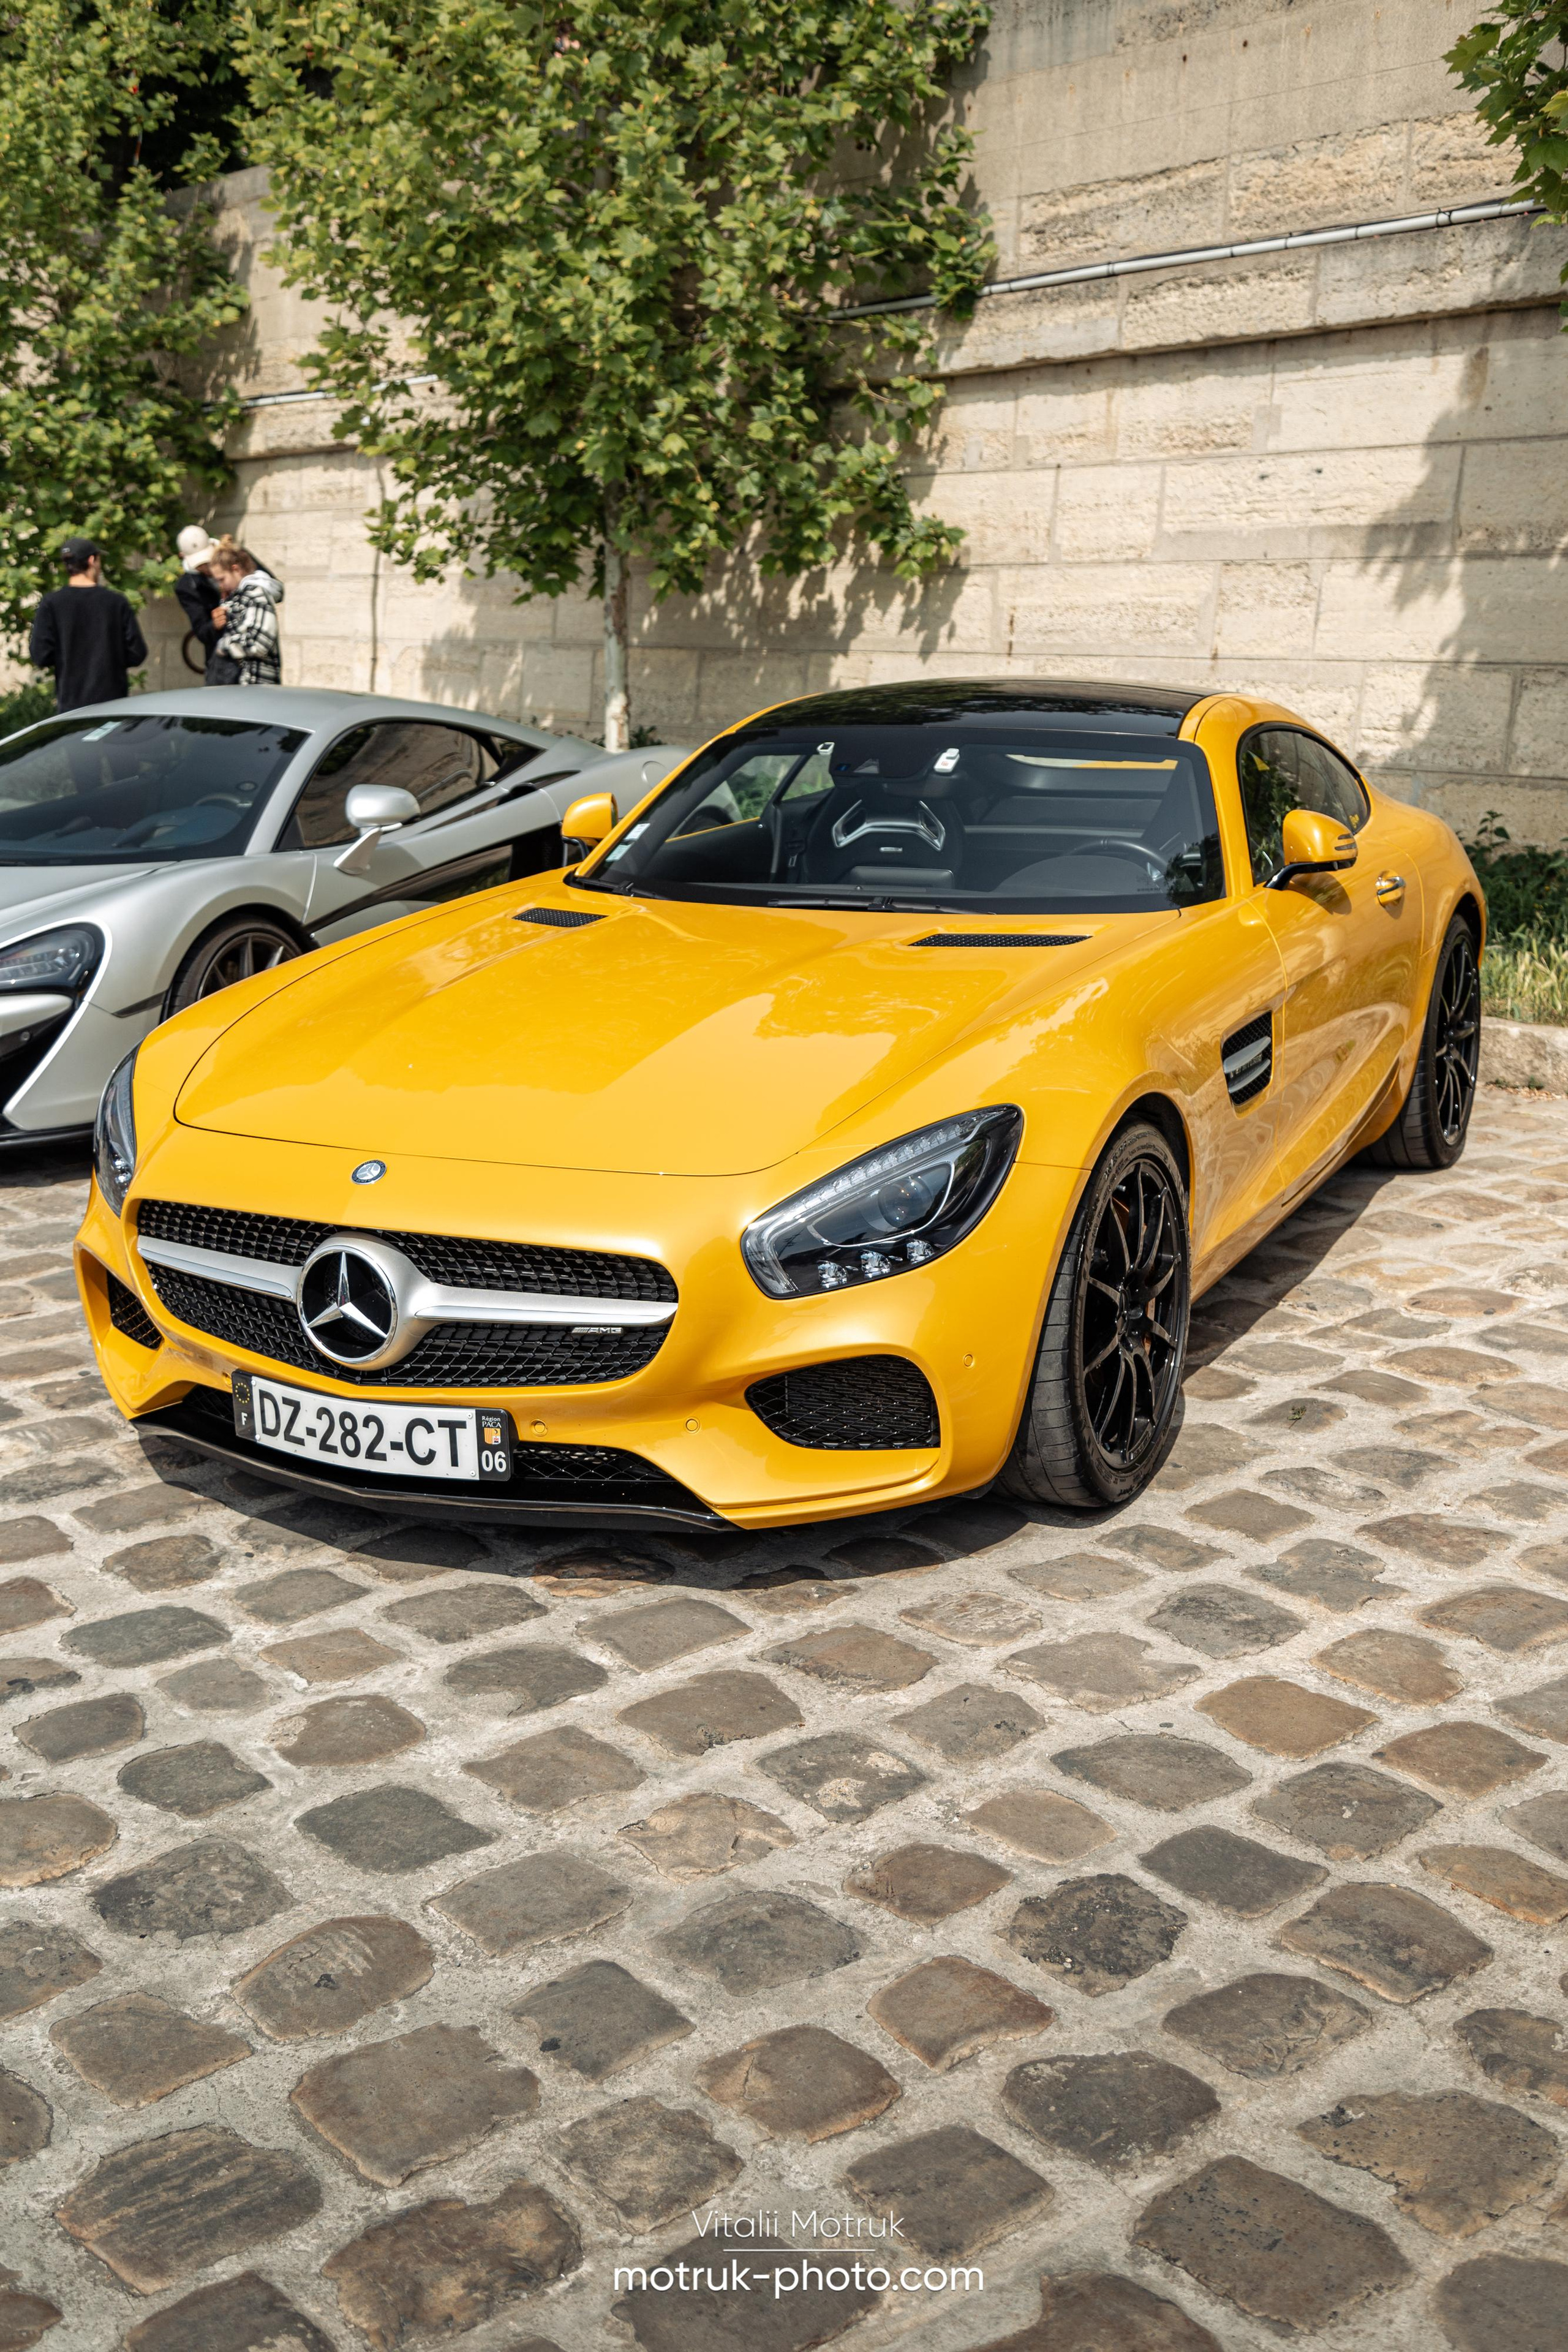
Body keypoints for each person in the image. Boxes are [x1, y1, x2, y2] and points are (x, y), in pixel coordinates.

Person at [28, 539, 148, 712]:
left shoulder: (51, 604)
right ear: (92, 560)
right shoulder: (116, 603)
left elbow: (40, 655)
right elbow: (138, 653)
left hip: (71, 707)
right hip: (113, 704)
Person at [208, 539, 283, 685]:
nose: (220, 586)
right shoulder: (237, 596)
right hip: (242, 685)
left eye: (222, 579)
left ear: (236, 569)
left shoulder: (256, 594)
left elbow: (259, 643)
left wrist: (225, 645)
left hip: (255, 685)